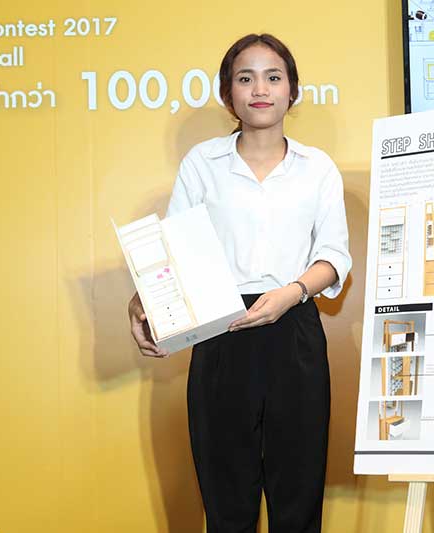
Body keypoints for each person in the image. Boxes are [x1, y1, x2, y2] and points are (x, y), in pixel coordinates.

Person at [127, 33, 351, 533]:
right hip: (220, 330)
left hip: (294, 328)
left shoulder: (317, 168)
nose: (260, 89)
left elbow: (334, 256)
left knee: (298, 495)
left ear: (292, 89)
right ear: (228, 93)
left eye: (273, 77)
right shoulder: (202, 163)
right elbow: (174, 252)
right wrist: (143, 302)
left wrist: (292, 293)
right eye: (245, 78)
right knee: (226, 499)